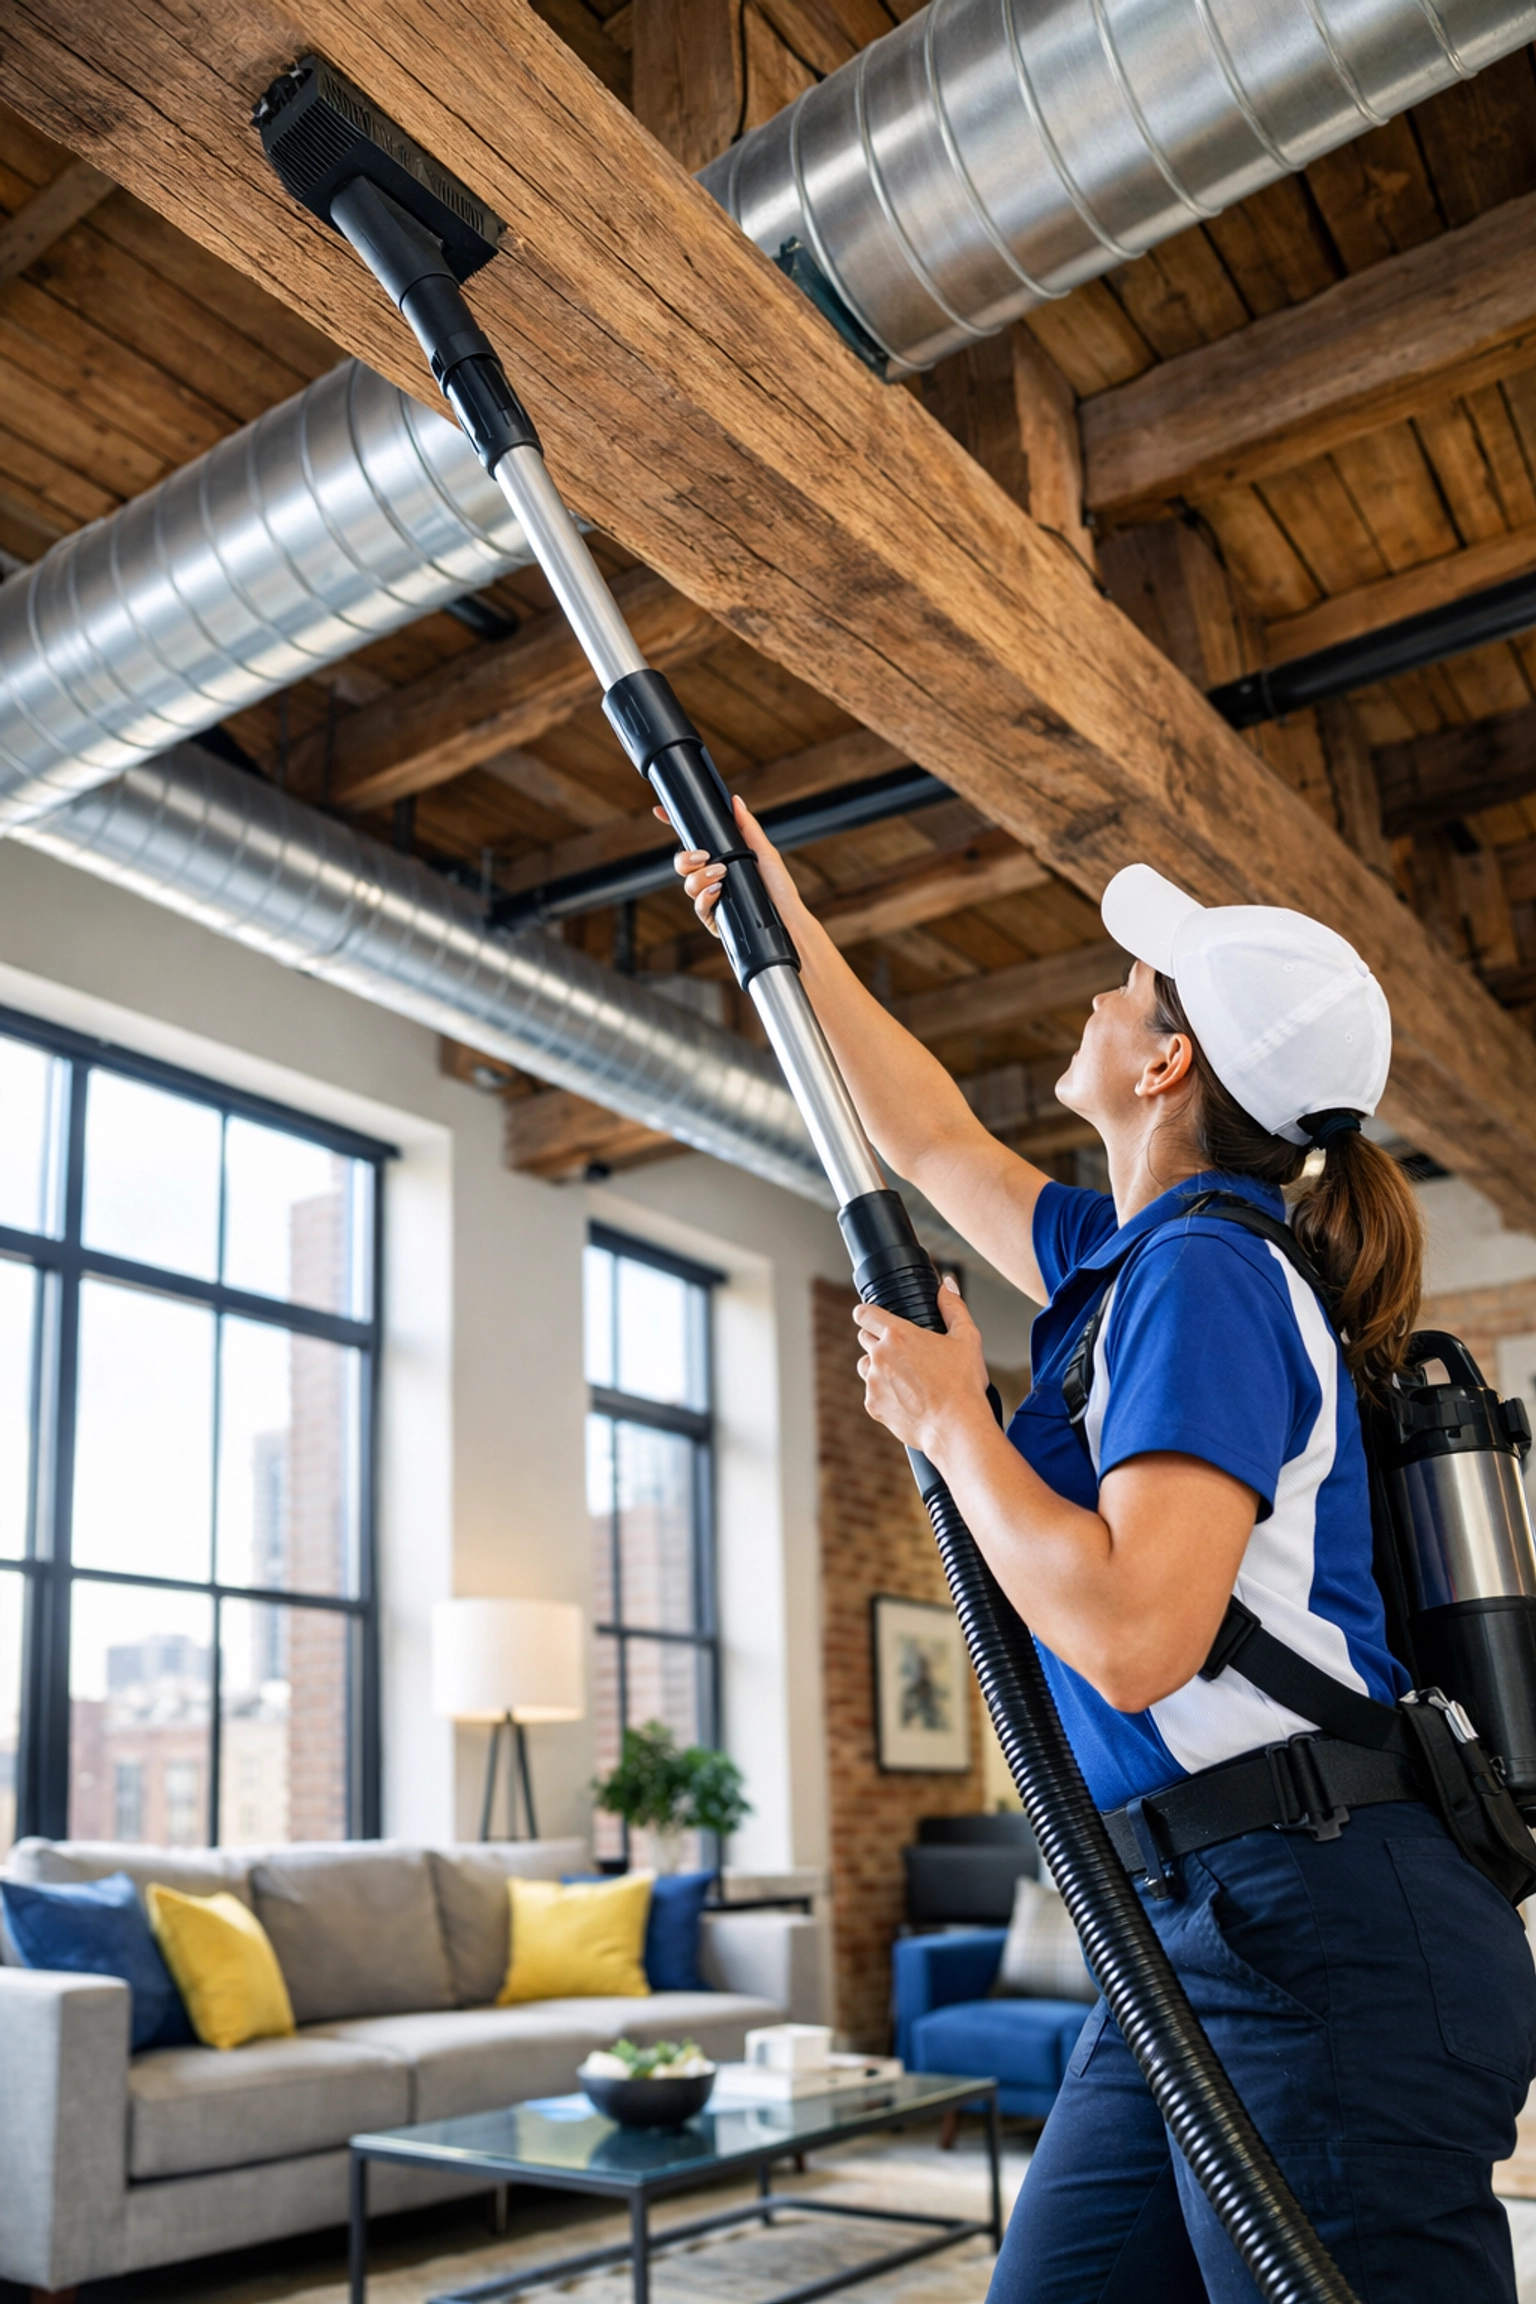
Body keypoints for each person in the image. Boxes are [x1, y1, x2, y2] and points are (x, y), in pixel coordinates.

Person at [673, 803, 1536, 2302]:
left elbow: (1138, 1637)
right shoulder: (1131, 1260)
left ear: (1167, 1063)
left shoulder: (1209, 1274)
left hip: (1321, 1934)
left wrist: (954, 1424)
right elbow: (930, 1138)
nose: (1097, 993)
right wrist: (780, 920)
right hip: (1189, 1921)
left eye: (1129, 986)